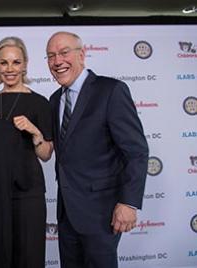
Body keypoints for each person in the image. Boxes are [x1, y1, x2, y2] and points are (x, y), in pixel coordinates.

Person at [47, 31, 149, 268]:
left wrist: (129, 203)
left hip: (102, 212)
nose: (57, 61)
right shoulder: (54, 100)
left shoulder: (111, 90)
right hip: (66, 214)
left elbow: (136, 151)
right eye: (51, 56)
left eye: (64, 53)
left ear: (82, 54)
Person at [0, 36, 54, 268]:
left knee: (29, 257)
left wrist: (35, 132)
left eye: (15, 62)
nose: (10, 69)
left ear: (24, 65)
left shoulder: (40, 103)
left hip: (28, 194)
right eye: (4, 63)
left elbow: (46, 154)